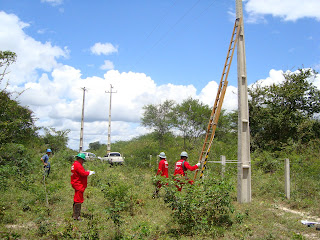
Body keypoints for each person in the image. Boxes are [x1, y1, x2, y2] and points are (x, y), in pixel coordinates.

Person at [71, 153, 95, 221]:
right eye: (83, 160)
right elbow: (83, 174)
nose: (83, 162)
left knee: (76, 199)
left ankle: (75, 215)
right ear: (80, 159)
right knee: (78, 200)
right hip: (78, 184)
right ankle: (76, 216)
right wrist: (89, 173)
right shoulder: (78, 165)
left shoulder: (74, 164)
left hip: (76, 183)